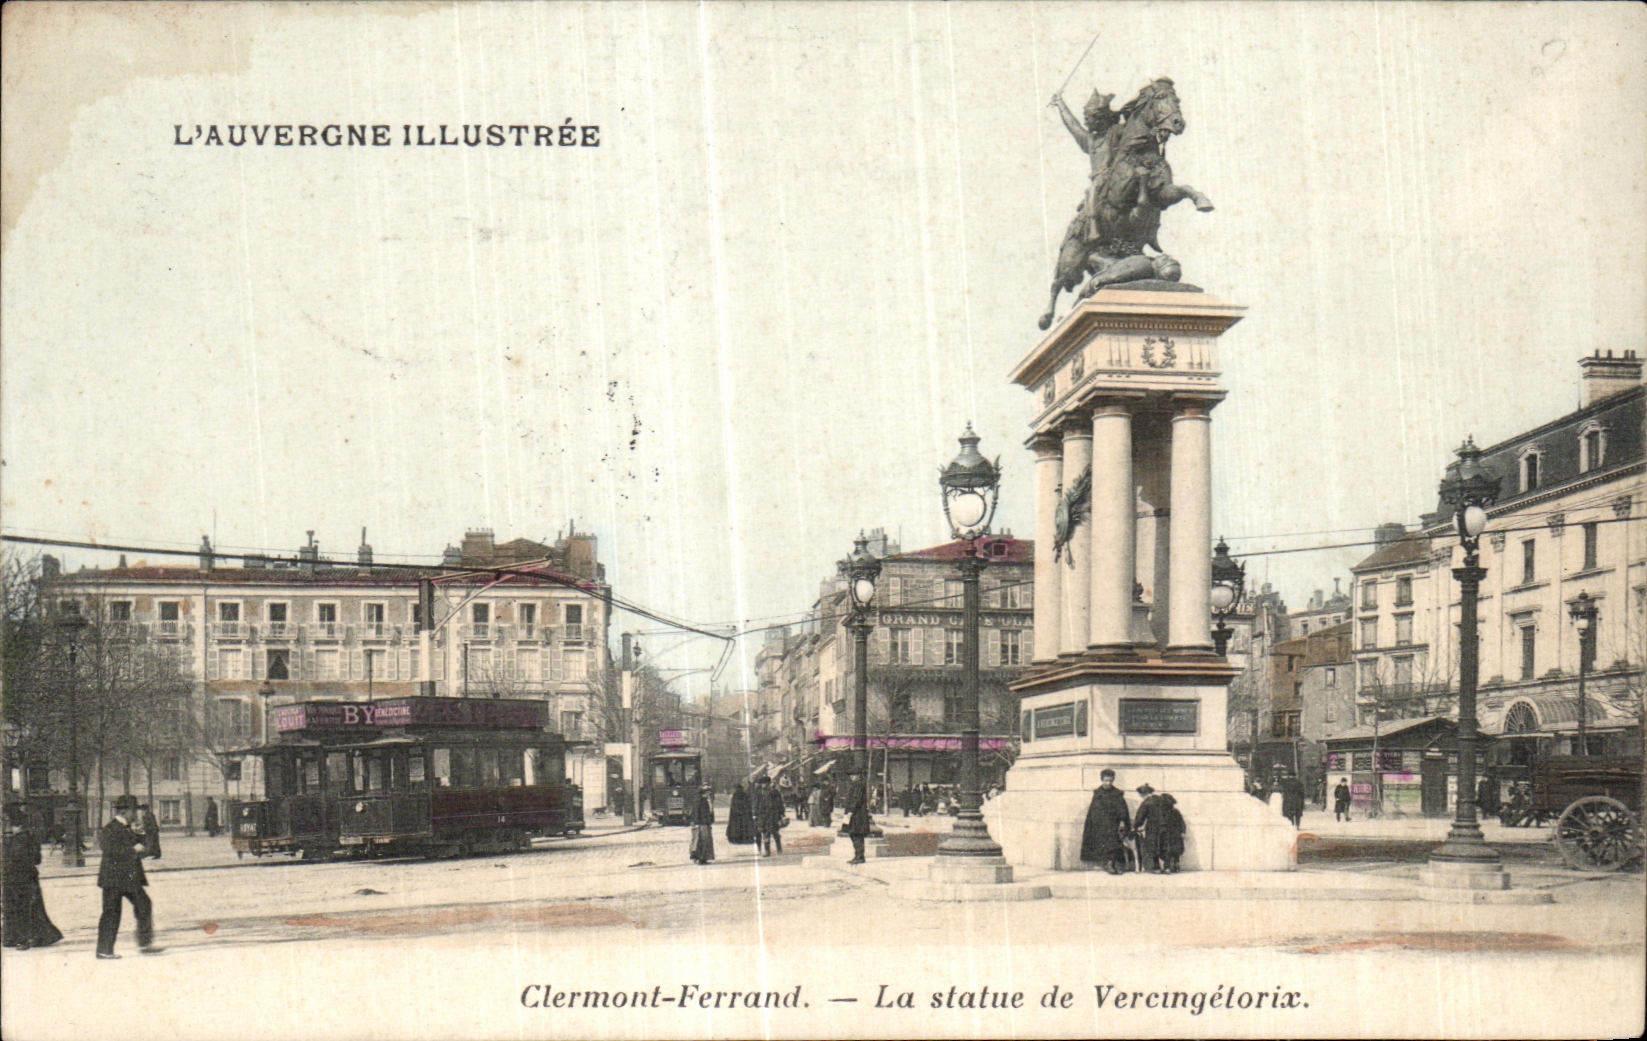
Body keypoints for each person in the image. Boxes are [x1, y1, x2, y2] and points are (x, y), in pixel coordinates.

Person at [97, 794, 159, 959]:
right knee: (111, 913)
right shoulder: (110, 828)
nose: (136, 815)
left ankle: (145, 943)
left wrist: (142, 836)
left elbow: (144, 846)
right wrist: (133, 850)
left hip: (128, 878)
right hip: (114, 879)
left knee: (144, 904)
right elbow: (109, 850)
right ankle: (104, 950)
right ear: (125, 812)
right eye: (134, 811)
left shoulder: (129, 828)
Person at [4, 804, 63, 950]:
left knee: (20, 908)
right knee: (31, 908)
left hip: (18, 878)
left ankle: (21, 938)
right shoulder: (28, 838)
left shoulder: (14, 840)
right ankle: (28, 937)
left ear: (13, 824)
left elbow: (12, 859)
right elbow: (37, 859)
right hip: (26, 877)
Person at [1080, 769, 1132, 875]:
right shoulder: (1097, 793)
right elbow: (1093, 810)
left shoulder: (1117, 794)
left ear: (1113, 780)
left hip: (1113, 824)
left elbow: (1122, 809)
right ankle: (1104, 863)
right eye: (1106, 780)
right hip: (1099, 824)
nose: (1108, 783)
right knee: (1101, 843)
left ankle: (1111, 864)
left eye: (1110, 781)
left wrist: (1122, 821)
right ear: (1102, 780)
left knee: (1113, 843)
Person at [1132, 784, 1163, 873]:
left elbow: (1140, 817)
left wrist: (1135, 826)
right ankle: (1168, 866)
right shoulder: (1161, 800)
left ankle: (1156, 867)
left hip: (1153, 827)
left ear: (1143, 794)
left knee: (1152, 846)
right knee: (1162, 845)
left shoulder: (1146, 802)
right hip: (1164, 826)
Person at [844, 770, 872, 865]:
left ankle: (859, 856)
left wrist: (850, 811)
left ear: (858, 775)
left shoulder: (858, 785)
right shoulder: (856, 785)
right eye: (851, 775)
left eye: (853, 775)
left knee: (856, 834)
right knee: (854, 834)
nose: (852, 777)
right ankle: (858, 855)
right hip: (855, 813)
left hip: (857, 814)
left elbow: (856, 799)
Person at [1156, 793, 1186, 874]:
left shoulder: (1163, 813)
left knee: (1167, 852)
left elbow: (1161, 824)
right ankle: (1176, 865)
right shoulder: (1176, 812)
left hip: (1167, 835)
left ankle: (1167, 867)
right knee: (1175, 852)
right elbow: (1182, 822)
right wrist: (1183, 832)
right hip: (1176, 835)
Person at [753, 777, 783, 857]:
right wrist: (755, 814)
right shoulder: (759, 793)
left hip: (773, 815)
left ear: (769, 784)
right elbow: (756, 803)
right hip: (762, 816)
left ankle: (779, 848)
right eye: (763, 783)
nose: (764, 785)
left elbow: (779, 803)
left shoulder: (774, 792)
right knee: (765, 833)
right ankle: (767, 851)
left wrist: (781, 813)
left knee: (775, 832)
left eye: (766, 783)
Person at [688, 786, 715, 865]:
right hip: (701, 824)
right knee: (702, 841)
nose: (708, 794)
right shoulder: (701, 801)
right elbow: (697, 813)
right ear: (704, 793)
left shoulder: (701, 800)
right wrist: (696, 823)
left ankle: (700, 858)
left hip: (702, 823)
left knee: (699, 841)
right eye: (707, 792)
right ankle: (701, 858)